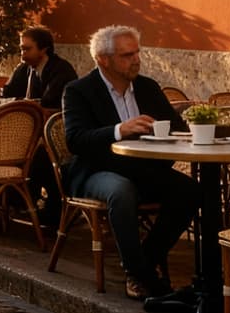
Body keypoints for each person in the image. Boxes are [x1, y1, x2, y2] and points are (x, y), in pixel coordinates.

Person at [62, 25, 196, 301]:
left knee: (192, 191)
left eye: (137, 53)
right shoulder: (79, 90)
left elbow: (177, 126)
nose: (136, 60)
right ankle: (139, 275)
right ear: (103, 59)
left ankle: (143, 262)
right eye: (126, 55)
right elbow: (75, 140)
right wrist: (119, 130)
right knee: (121, 191)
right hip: (97, 171)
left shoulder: (147, 87)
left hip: (144, 168)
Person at [0, 26, 80, 220]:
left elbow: (51, 106)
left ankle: (44, 205)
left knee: (36, 155)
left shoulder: (61, 70)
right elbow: (7, 92)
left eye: (27, 49)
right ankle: (14, 201)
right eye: (21, 49)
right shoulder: (27, 68)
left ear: (43, 49)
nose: (22, 54)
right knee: (7, 149)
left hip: (57, 133)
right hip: (32, 131)